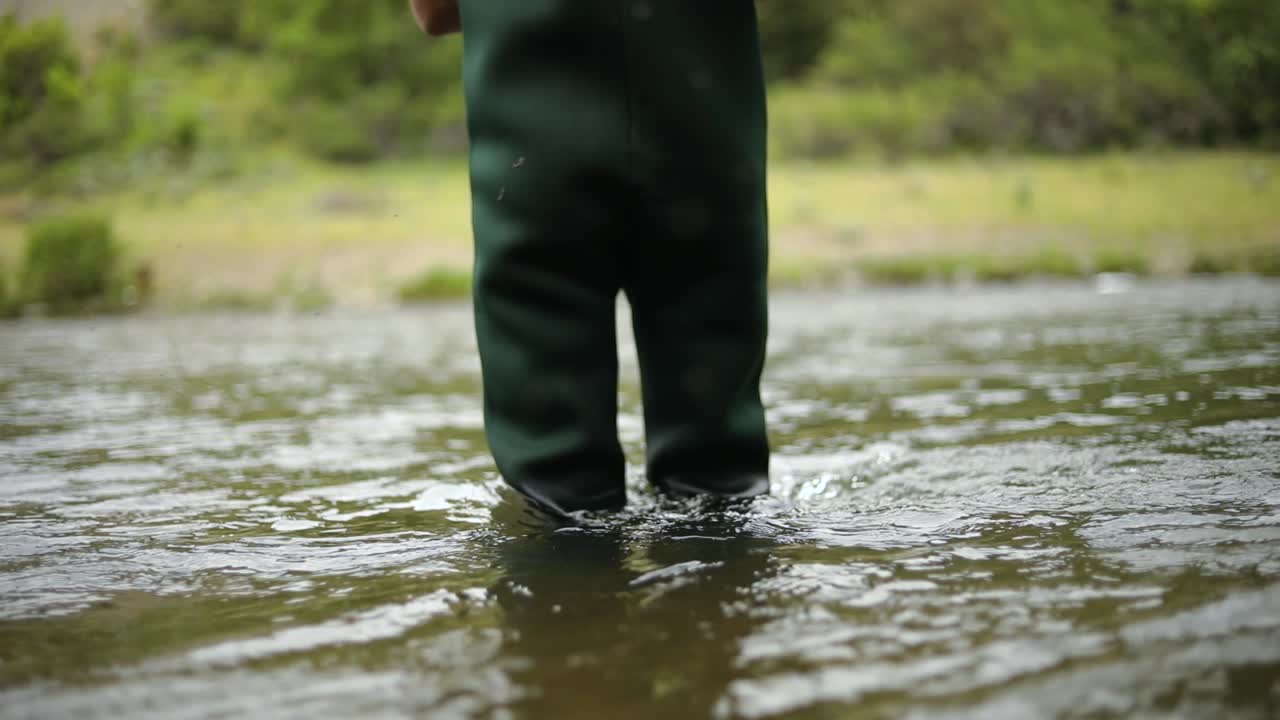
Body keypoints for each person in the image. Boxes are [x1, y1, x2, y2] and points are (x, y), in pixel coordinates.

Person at [412, 0, 771, 517]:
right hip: (700, 135)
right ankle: (723, 561)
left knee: (555, 494)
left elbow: (435, 12)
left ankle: (561, 560)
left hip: (534, 151)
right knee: (720, 487)